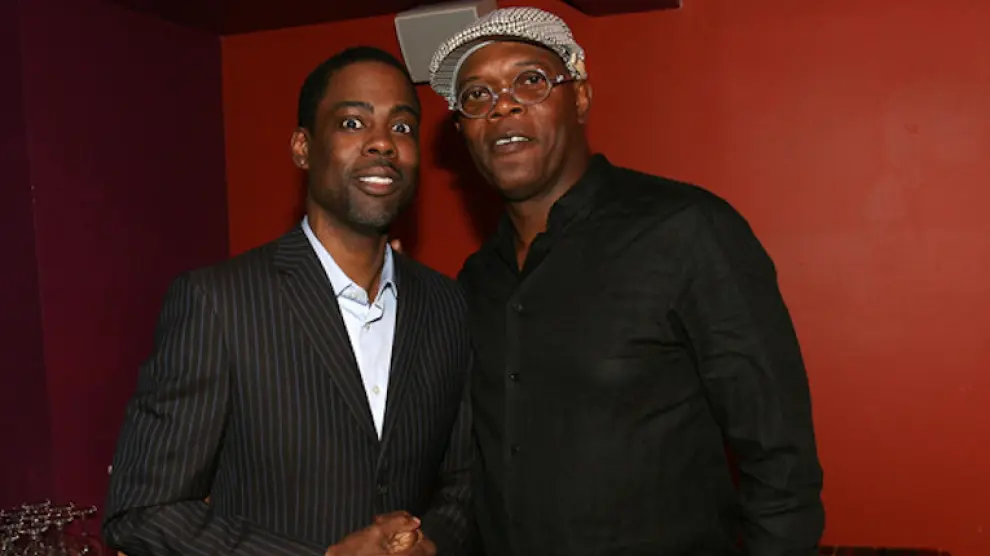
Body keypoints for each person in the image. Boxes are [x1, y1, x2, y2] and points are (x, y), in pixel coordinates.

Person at [424, 7, 825, 556]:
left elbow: (781, 461)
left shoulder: (685, 232)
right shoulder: (476, 282)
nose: (503, 105)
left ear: (580, 98)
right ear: (463, 131)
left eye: (531, 80)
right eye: (476, 95)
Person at [103, 46, 473, 556]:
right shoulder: (219, 303)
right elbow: (141, 512)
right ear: (303, 147)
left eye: (402, 127)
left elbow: (464, 481)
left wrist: (431, 544)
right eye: (352, 123)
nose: (383, 143)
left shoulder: (446, 304)